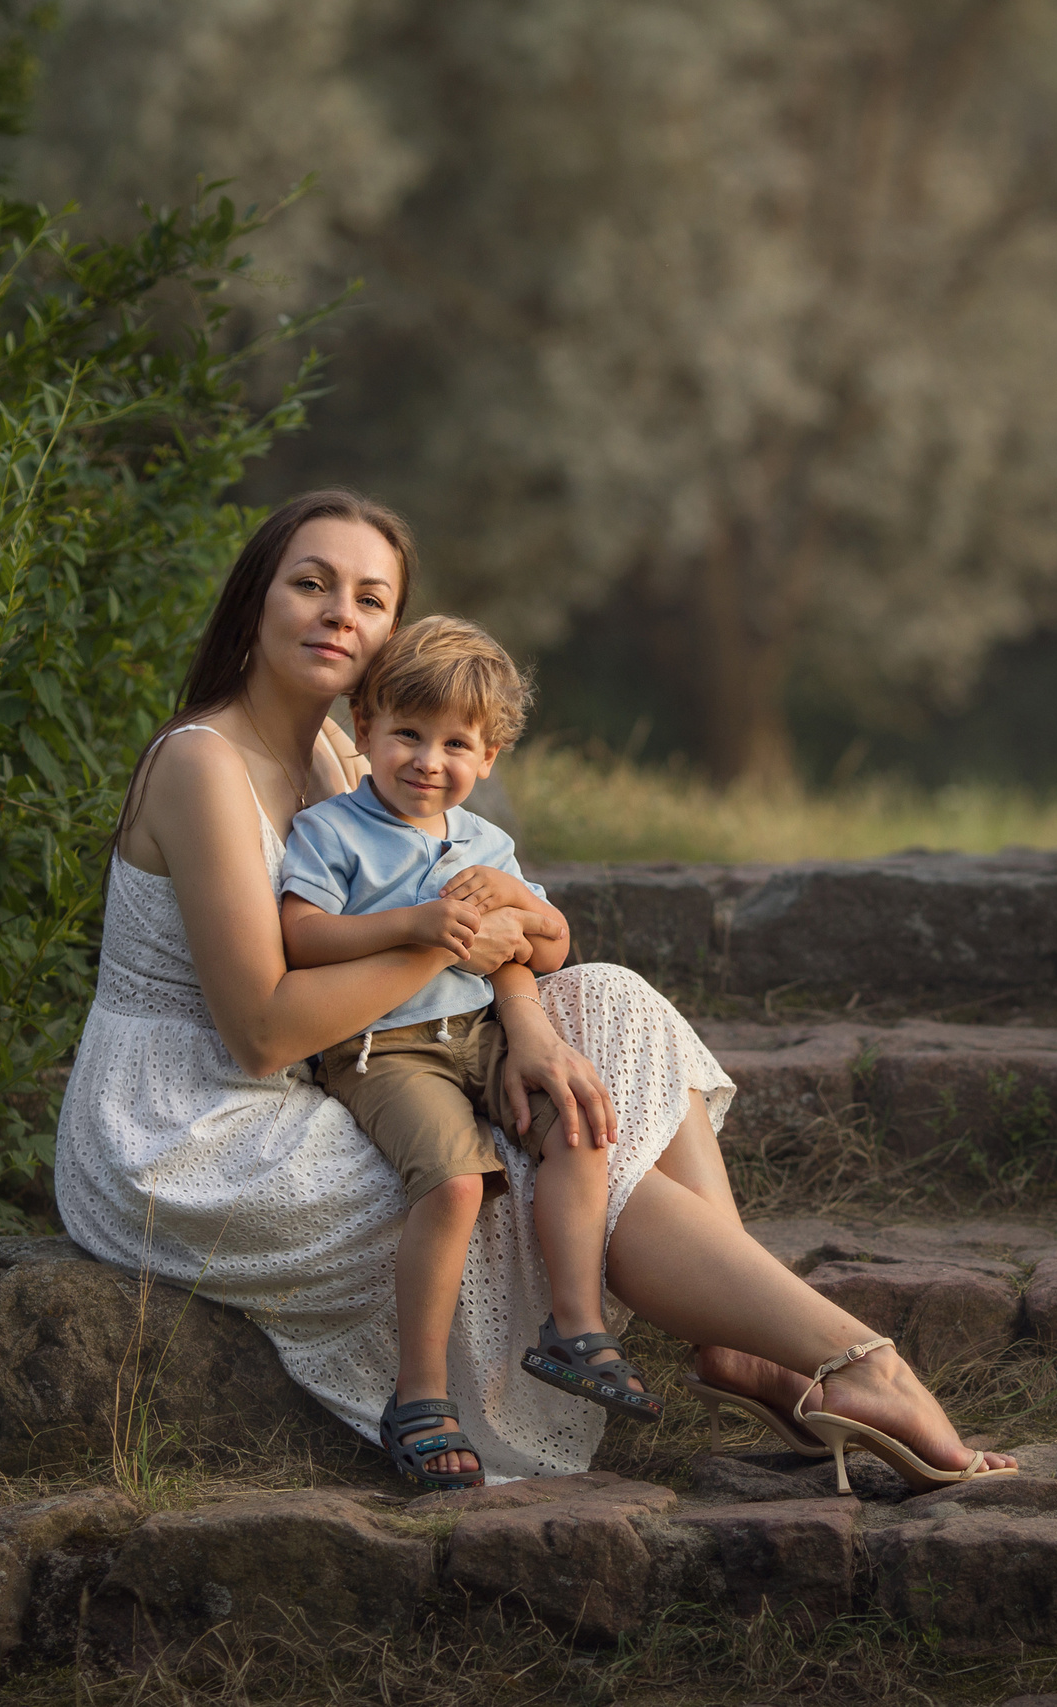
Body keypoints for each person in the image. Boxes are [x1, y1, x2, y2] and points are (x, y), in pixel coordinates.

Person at [55, 487, 1015, 1494]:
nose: (341, 612)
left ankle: (751, 1347)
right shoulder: (205, 765)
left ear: (391, 633)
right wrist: (445, 942)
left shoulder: (347, 754)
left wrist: (525, 1023)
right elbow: (260, 1035)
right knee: (517, 1157)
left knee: (602, 1009)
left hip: (361, 1055)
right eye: (311, 584)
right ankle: (850, 1360)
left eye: (371, 599)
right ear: (256, 599)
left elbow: (504, 932)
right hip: (198, 1119)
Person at [281, 615, 658, 1489]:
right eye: (406, 733)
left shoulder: (487, 844)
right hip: (387, 1047)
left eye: (457, 744)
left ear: (488, 759)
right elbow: (300, 938)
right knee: (455, 1184)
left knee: (572, 1116)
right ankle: (418, 1396)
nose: (428, 760)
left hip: (479, 1033)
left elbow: (553, 946)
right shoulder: (332, 831)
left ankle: (574, 1326)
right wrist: (415, 924)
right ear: (365, 726)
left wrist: (522, 907)